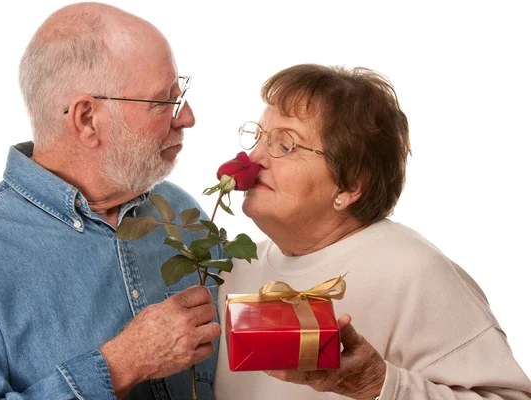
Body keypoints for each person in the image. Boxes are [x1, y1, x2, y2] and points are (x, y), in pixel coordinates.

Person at [0, 3, 222, 399]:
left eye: (180, 93)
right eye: (163, 100)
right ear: (87, 119)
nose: (186, 117)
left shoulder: (183, 212)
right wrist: (122, 364)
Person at [214, 64, 531, 399]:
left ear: (349, 185)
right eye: (258, 137)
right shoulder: (231, 269)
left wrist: (377, 384)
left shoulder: (415, 273)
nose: (254, 157)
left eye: (286, 144)